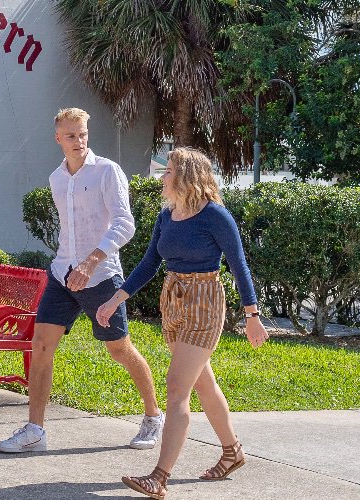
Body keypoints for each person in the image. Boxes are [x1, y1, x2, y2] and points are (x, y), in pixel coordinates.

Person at [98, 147, 269, 499]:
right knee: (203, 385)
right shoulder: (167, 216)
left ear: (187, 176)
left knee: (177, 388)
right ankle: (232, 452)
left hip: (205, 301)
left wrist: (253, 316)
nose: (163, 178)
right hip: (173, 301)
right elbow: (149, 264)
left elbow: (239, 265)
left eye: (169, 171)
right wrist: (115, 299)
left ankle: (159, 477)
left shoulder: (215, 216)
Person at [0, 108, 163, 453]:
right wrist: (71, 264)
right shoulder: (57, 178)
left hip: (100, 275)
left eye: (83, 134)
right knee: (41, 346)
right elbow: (70, 231)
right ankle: (35, 431)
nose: (79, 141)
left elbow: (124, 224)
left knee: (119, 348)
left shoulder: (107, 172)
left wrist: (90, 262)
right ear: (58, 138)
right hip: (62, 274)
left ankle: (153, 416)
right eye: (71, 135)